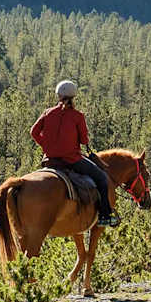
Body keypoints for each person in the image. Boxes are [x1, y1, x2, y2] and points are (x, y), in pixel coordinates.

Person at [31, 80, 119, 227]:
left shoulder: (47, 113)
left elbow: (33, 132)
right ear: (73, 96)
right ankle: (104, 216)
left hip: (50, 160)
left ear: (58, 96)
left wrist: (46, 145)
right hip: (72, 160)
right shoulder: (78, 116)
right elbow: (84, 140)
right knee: (102, 178)